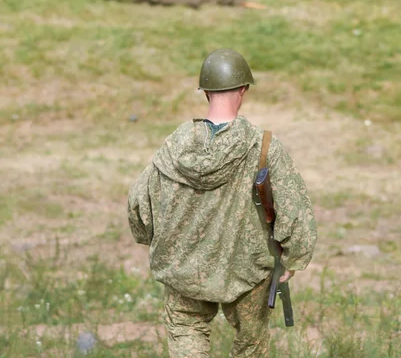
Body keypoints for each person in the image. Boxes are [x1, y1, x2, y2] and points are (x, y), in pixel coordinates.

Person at [127, 49, 317, 357]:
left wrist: (152, 238)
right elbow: (295, 212)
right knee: (250, 345)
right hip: (247, 270)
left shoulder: (173, 147)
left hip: (183, 269)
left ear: (205, 92)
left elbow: (138, 204)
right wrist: (293, 259)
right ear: (243, 90)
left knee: (186, 333)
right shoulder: (264, 146)